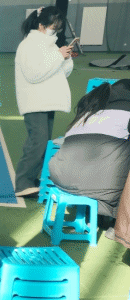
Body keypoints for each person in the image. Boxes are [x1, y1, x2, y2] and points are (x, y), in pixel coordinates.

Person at [49, 79, 130, 236]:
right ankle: (119, 224)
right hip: (98, 186)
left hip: (60, 179)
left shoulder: (91, 109)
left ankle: (93, 218)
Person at [13, 6, 74, 197]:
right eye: (53, 27)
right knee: (37, 143)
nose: (54, 31)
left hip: (46, 100)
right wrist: (58, 56)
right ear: (41, 25)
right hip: (35, 102)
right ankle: (22, 183)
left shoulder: (49, 45)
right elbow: (34, 74)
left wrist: (65, 58)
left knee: (43, 143)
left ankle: (31, 180)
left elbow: (60, 73)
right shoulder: (29, 45)